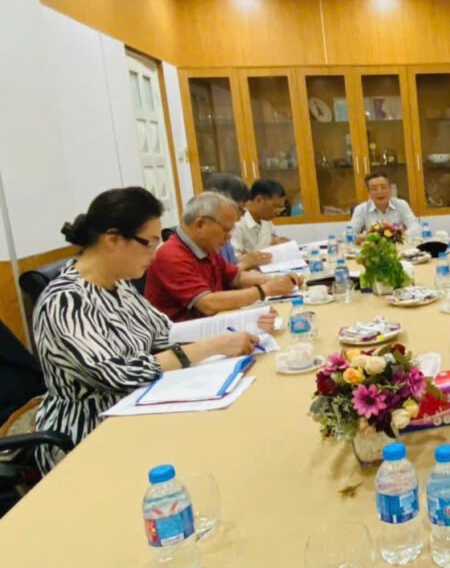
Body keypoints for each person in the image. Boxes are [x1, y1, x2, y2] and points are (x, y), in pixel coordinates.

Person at [32, 187, 272, 474]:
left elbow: (164, 332)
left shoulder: (118, 284)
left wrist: (245, 323)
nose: (155, 252)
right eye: (149, 243)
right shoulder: (65, 300)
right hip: (91, 430)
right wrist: (212, 346)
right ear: (112, 240)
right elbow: (119, 374)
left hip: (144, 403)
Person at [145, 192, 301, 322]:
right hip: (185, 339)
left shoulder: (205, 248)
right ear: (200, 224)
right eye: (226, 230)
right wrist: (265, 290)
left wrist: (275, 280)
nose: (229, 237)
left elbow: (236, 277)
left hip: (214, 324)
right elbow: (208, 304)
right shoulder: (171, 255)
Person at [205, 172, 269, 271]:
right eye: (240, 210)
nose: (240, 218)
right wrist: (249, 263)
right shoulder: (210, 238)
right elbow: (225, 276)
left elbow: (230, 267)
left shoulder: (225, 235)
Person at [349, 172, 420, 241]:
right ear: (369, 192)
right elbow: (349, 232)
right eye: (374, 189)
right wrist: (363, 238)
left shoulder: (401, 205)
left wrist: (400, 236)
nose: (380, 192)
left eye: (383, 187)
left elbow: (416, 228)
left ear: (390, 190)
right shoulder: (361, 209)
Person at [232, 178, 290, 254]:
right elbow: (234, 259)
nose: (278, 212)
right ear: (259, 200)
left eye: (281, 208)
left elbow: (272, 242)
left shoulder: (267, 221)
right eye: (276, 206)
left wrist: (277, 243)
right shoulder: (237, 223)